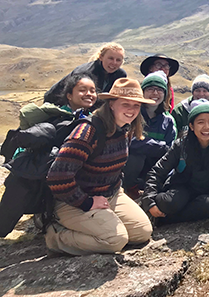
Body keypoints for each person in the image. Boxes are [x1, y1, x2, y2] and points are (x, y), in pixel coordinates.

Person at [44, 78, 154, 255]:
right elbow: (57, 176)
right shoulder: (89, 131)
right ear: (111, 104)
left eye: (136, 106)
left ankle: (97, 224)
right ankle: (55, 237)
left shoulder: (125, 129)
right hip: (72, 201)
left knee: (142, 232)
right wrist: (87, 202)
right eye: (125, 104)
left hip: (110, 195)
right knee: (115, 240)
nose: (131, 110)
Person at [0, 75, 98, 238]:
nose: (89, 94)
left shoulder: (88, 118)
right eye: (82, 90)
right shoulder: (57, 117)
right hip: (36, 173)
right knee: (14, 204)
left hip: (61, 175)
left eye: (93, 91)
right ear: (69, 95)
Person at [143, 100, 209, 225]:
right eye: (200, 122)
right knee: (168, 203)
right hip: (183, 189)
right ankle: (166, 212)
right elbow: (157, 172)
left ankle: (165, 220)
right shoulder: (181, 144)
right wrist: (149, 201)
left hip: (208, 194)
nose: (206, 127)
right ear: (191, 126)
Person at [123, 71, 177, 200]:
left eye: (159, 89)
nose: (155, 93)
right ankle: (129, 188)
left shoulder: (168, 121)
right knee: (136, 157)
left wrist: (145, 143)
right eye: (150, 88)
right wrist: (159, 146)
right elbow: (129, 141)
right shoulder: (133, 114)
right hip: (131, 169)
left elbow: (170, 150)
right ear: (142, 92)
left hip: (154, 170)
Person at [44, 42, 126, 109]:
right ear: (101, 57)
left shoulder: (120, 75)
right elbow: (73, 97)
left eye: (118, 60)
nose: (114, 63)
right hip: (60, 105)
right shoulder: (85, 74)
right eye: (110, 58)